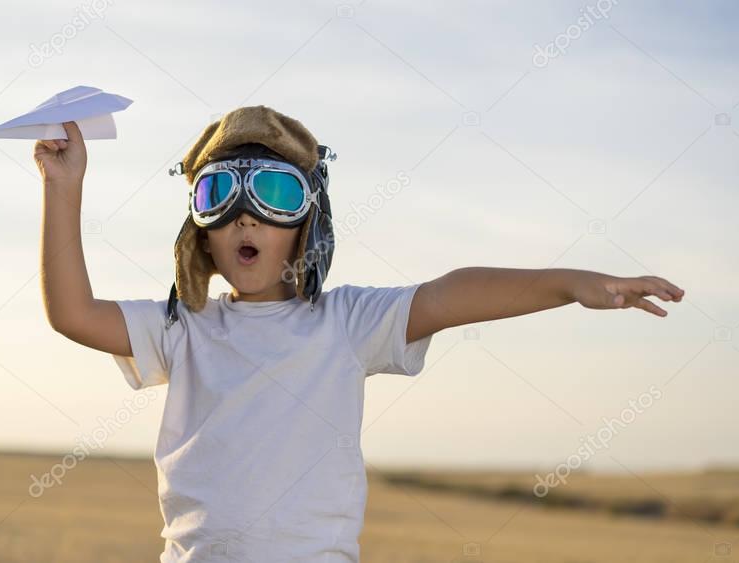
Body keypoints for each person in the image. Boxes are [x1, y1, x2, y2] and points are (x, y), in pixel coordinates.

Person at [34, 106, 684, 562]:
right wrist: (64, 187)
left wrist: (569, 282)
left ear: (309, 220)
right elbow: (73, 312)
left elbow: (450, 293)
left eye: (274, 191)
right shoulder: (183, 326)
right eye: (219, 198)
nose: (244, 219)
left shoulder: (344, 323)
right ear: (199, 229)